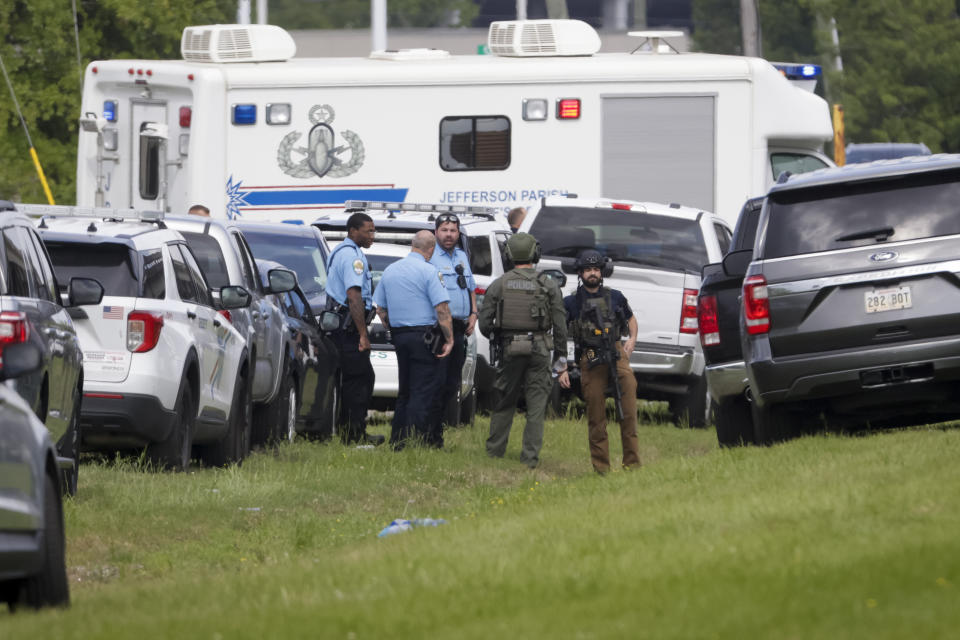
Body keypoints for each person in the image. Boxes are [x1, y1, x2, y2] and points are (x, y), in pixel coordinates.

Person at [478, 232, 567, 468]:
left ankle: (495, 452)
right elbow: (560, 325)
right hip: (540, 348)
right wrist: (561, 358)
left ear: (508, 255)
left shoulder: (499, 284)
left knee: (504, 401)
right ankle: (529, 459)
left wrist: (499, 335)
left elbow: (485, 324)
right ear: (535, 254)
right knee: (537, 405)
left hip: (510, 347)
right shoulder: (548, 284)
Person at [558, 249, 640, 474]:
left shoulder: (616, 297)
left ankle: (632, 465)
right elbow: (559, 335)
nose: (592, 273)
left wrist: (632, 339)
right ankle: (602, 469)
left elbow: (631, 319)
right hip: (590, 355)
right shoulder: (571, 302)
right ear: (580, 273)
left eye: (595, 269)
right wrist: (562, 367)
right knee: (596, 415)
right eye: (587, 270)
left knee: (629, 411)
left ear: (601, 271)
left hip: (615, 352)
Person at [374, 231, 453, 449]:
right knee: (423, 389)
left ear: (412, 245)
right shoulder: (430, 271)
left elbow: (380, 308)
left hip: (400, 337)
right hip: (424, 337)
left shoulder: (390, 271)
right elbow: (442, 308)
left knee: (405, 390)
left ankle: (397, 440)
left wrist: (393, 326)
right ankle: (415, 441)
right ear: (431, 250)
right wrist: (449, 338)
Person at [325, 211, 384, 445]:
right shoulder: (352, 257)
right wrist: (362, 334)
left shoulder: (342, 251)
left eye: (373, 230)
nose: (373, 235)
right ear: (353, 231)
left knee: (359, 380)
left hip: (342, 328)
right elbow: (354, 296)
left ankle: (352, 432)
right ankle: (353, 436)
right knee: (358, 382)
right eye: (368, 231)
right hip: (349, 330)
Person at [428, 212, 477, 442]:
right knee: (436, 381)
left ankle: (441, 428)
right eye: (445, 230)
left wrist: (474, 313)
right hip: (438, 329)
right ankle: (430, 430)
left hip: (460, 327)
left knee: (453, 382)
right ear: (436, 232)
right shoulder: (430, 256)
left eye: (453, 231)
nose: (449, 235)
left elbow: (470, 287)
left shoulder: (461, 255)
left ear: (459, 233)